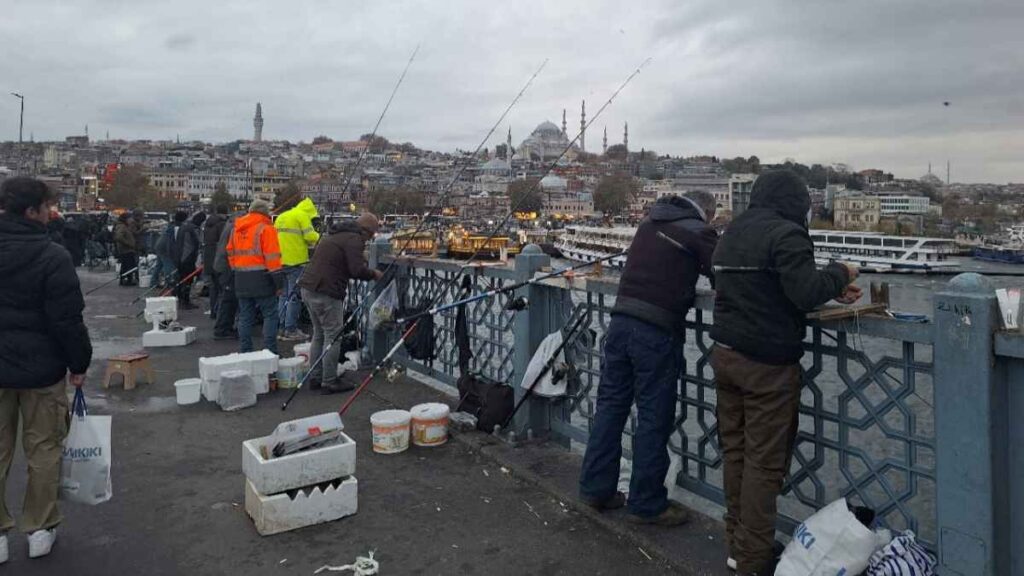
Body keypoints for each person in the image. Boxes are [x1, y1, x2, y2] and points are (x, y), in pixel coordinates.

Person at [710, 170, 860, 576]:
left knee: (736, 455)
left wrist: (823, 283)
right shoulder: (787, 234)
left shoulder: (732, 232)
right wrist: (842, 273)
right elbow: (804, 292)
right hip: (765, 366)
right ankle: (753, 559)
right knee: (763, 464)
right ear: (795, 202)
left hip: (725, 356)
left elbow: (756, 283)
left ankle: (737, 546)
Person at [578, 191, 719, 525]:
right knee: (654, 417)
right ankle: (647, 503)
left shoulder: (647, 222)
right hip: (655, 331)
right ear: (708, 212)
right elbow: (721, 273)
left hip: (620, 323)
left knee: (610, 407)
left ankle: (595, 489)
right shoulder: (699, 231)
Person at [0, 177, 93, 561]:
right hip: (42, 371)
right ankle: (40, 527)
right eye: (46, 207)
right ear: (32, 211)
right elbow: (67, 319)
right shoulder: (52, 256)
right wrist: (79, 363)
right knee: (44, 449)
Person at [297, 213, 382, 394]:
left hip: (308, 287)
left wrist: (361, 256)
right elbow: (356, 270)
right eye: (372, 235)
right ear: (366, 230)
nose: (370, 239)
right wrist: (373, 274)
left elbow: (345, 260)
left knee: (319, 334)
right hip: (326, 292)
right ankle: (329, 381)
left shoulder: (336, 234)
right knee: (333, 336)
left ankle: (315, 377)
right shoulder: (355, 239)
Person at [227, 199, 284, 353]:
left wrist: (237, 269)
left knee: (245, 316)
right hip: (262, 280)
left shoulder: (236, 229)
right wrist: (279, 284)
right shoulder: (266, 229)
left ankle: (246, 351)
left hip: (241, 278)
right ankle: (269, 352)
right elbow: (273, 260)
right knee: (270, 315)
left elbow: (230, 253)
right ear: (265, 212)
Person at [274, 197, 320, 341]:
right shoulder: (302, 216)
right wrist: (318, 235)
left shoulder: (282, 216)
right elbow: (311, 237)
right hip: (296, 262)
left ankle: (280, 327)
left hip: (279, 261)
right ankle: (291, 329)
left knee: (283, 296)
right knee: (294, 297)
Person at [212, 212, 240, 340]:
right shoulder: (234, 229)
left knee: (225, 298)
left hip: (221, 265)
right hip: (227, 267)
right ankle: (222, 329)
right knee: (228, 299)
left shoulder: (228, 226)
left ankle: (223, 326)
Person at [169, 211, 200, 309]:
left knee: (181, 278)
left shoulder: (179, 227)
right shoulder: (190, 229)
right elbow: (194, 244)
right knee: (188, 280)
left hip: (179, 257)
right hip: (187, 258)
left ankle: (178, 297)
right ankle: (185, 301)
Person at [203, 205, 229, 319]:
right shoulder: (222, 225)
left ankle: (213, 311)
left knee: (213, 288)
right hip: (219, 259)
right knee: (223, 288)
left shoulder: (207, 225)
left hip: (208, 258)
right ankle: (220, 313)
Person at [113, 212, 138, 286]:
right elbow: (119, 237)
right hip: (126, 249)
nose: (131, 220)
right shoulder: (122, 227)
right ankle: (127, 280)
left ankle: (125, 279)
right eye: (130, 218)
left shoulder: (125, 226)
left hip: (127, 249)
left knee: (126, 265)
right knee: (128, 265)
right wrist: (128, 243)